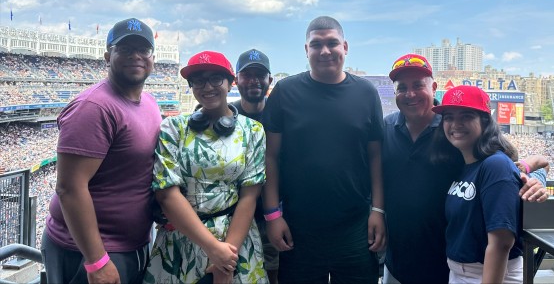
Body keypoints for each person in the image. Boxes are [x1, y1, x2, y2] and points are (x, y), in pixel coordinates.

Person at [382, 54, 549, 284]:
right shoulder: (387, 129)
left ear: (433, 87)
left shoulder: (464, 143)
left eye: (418, 85)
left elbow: (514, 166)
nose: (410, 94)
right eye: (402, 87)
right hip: (405, 262)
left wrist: (535, 178)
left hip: (450, 265)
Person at [262, 16, 385, 284]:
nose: (325, 51)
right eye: (316, 44)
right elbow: (270, 157)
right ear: (306, 50)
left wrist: (378, 210)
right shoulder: (285, 91)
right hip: (298, 226)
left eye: (332, 43)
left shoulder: (366, 93)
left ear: (346, 47)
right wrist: (273, 215)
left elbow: (375, 157)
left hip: (355, 225)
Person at [41, 18, 161, 284]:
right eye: (125, 49)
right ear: (108, 56)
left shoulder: (149, 103)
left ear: (153, 58)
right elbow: (70, 188)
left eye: (143, 50)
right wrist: (96, 261)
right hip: (90, 254)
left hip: (131, 245)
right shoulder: (94, 107)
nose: (136, 56)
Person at [144, 51, 268, 284]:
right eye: (199, 80)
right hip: (181, 239)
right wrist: (214, 249)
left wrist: (226, 261)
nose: (207, 86)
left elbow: (249, 197)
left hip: (236, 240)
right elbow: (166, 194)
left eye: (215, 79)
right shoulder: (172, 128)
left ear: (230, 83)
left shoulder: (252, 131)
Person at [431, 85, 527, 284]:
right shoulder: (464, 166)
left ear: (485, 122)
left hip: (493, 275)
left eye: (466, 116)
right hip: (459, 273)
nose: (455, 124)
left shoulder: (496, 165)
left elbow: (501, 242)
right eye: (448, 117)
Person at [229, 48, 279, 284]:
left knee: (274, 273)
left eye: (260, 75)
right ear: (236, 80)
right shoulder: (225, 115)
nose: (254, 81)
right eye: (247, 75)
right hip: (232, 217)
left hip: (274, 217)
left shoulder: (281, 115)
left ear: (270, 80)